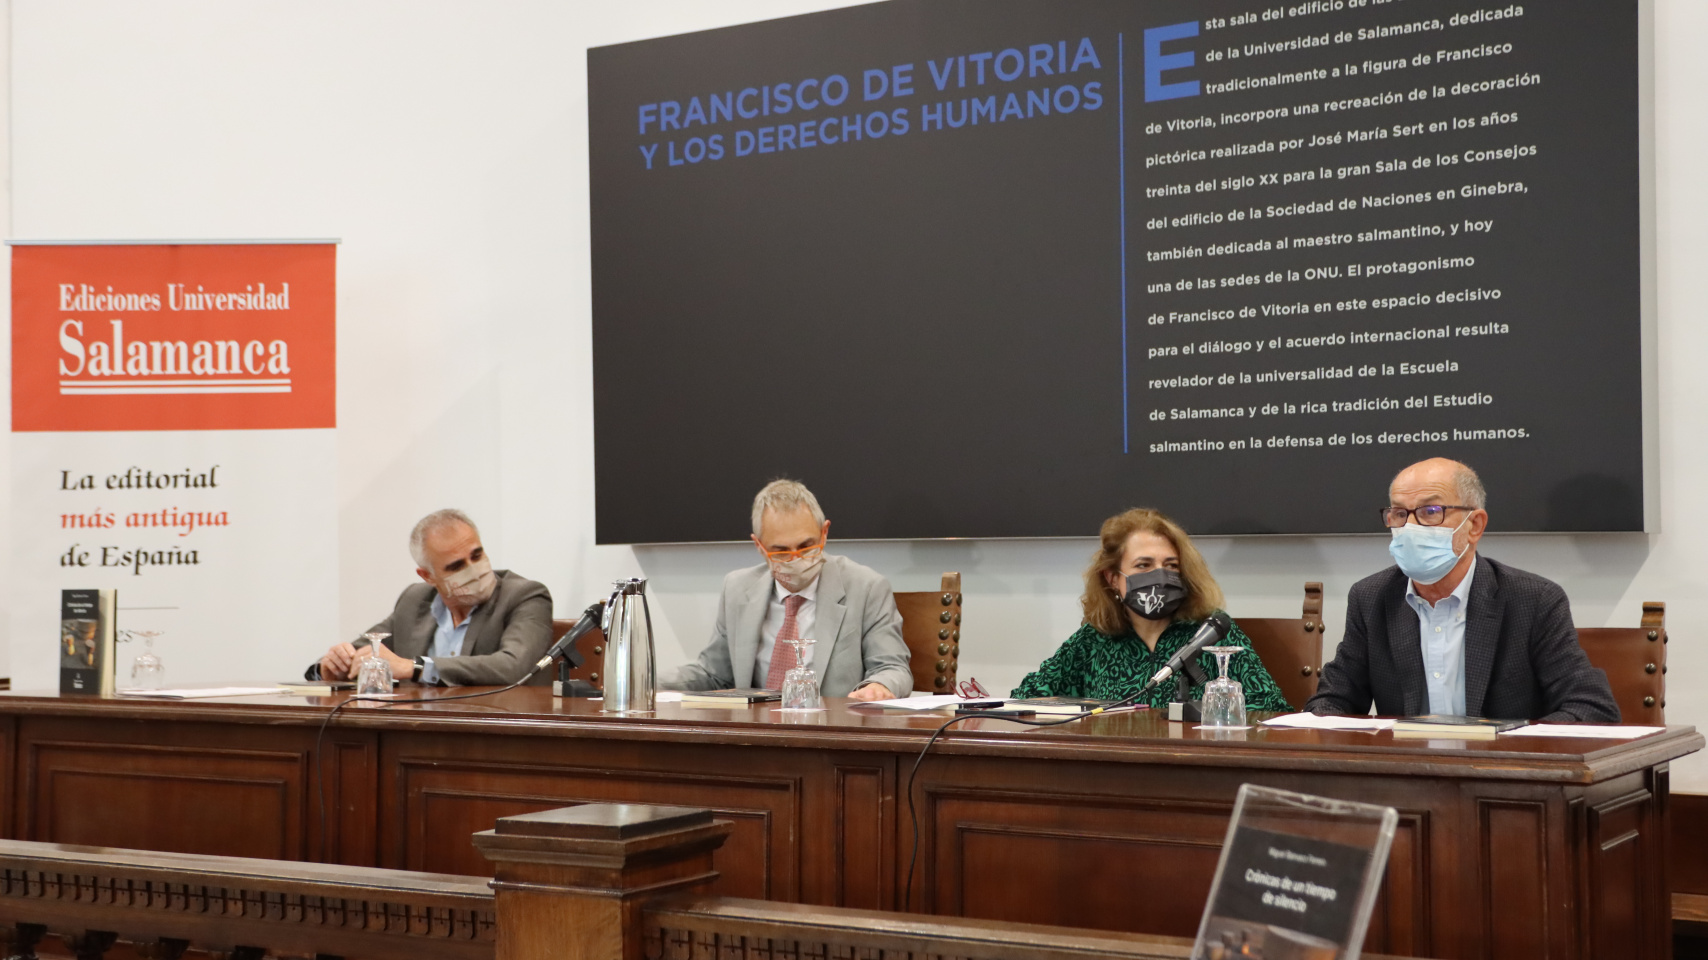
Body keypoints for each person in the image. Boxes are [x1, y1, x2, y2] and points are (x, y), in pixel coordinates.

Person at [1305, 458, 1619, 722]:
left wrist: (1508, 747)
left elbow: (1591, 708)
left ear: (1475, 526)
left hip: (1500, 779)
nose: (1410, 528)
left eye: (1431, 512)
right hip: (1405, 780)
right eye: (1400, 514)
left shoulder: (1533, 600)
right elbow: (1330, 703)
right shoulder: (1371, 597)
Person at [1011, 508, 1291, 711]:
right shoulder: (1092, 641)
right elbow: (1025, 698)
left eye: (1170, 565)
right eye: (1143, 566)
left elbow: (1274, 708)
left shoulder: (1212, 633)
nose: (1160, 576)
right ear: (1112, 579)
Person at [665, 480, 911, 700]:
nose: (796, 560)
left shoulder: (866, 587)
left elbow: (892, 667)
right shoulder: (737, 589)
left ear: (824, 533)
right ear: (759, 546)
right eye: (781, 551)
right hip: (754, 735)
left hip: (832, 733)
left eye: (806, 547)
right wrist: (640, 679)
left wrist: (878, 686)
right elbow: (714, 674)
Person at [308, 509, 554, 686]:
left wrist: (413, 668)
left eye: (477, 556)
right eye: (456, 566)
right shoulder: (415, 600)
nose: (474, 570)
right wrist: (332, 666)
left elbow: (513, 667)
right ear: (428, 576)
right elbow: (370, 650)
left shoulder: (526, 596)